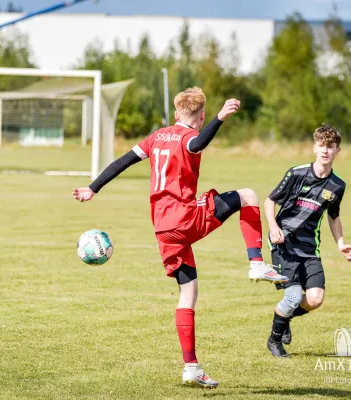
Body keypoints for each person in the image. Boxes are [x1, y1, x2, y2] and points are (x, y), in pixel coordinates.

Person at [72, 87, 288, 388]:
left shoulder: (157, 136)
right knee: (248, 195)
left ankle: (191, 366)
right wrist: (220, 118)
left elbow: (122, 161)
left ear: (176, 113)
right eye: (204, 117)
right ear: (200, 116)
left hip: (162, 228)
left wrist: (92, 188)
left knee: (188, 293)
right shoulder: (190, 138)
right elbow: (198, 143)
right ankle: (255, 262)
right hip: (184, 218)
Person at [264, 124, 351, 358]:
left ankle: (284, 319)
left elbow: (333, 217)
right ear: (314, 148)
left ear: (338, 151)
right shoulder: (297, 173)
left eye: (330, 147)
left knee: (315, 299)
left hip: (309, 248)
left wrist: (341, 243)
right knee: (293, 296)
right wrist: (273, 227)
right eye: (322, 146)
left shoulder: (338, 185)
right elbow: (269, 201)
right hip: (284, 244)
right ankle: (274, 342)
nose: (325, 151)